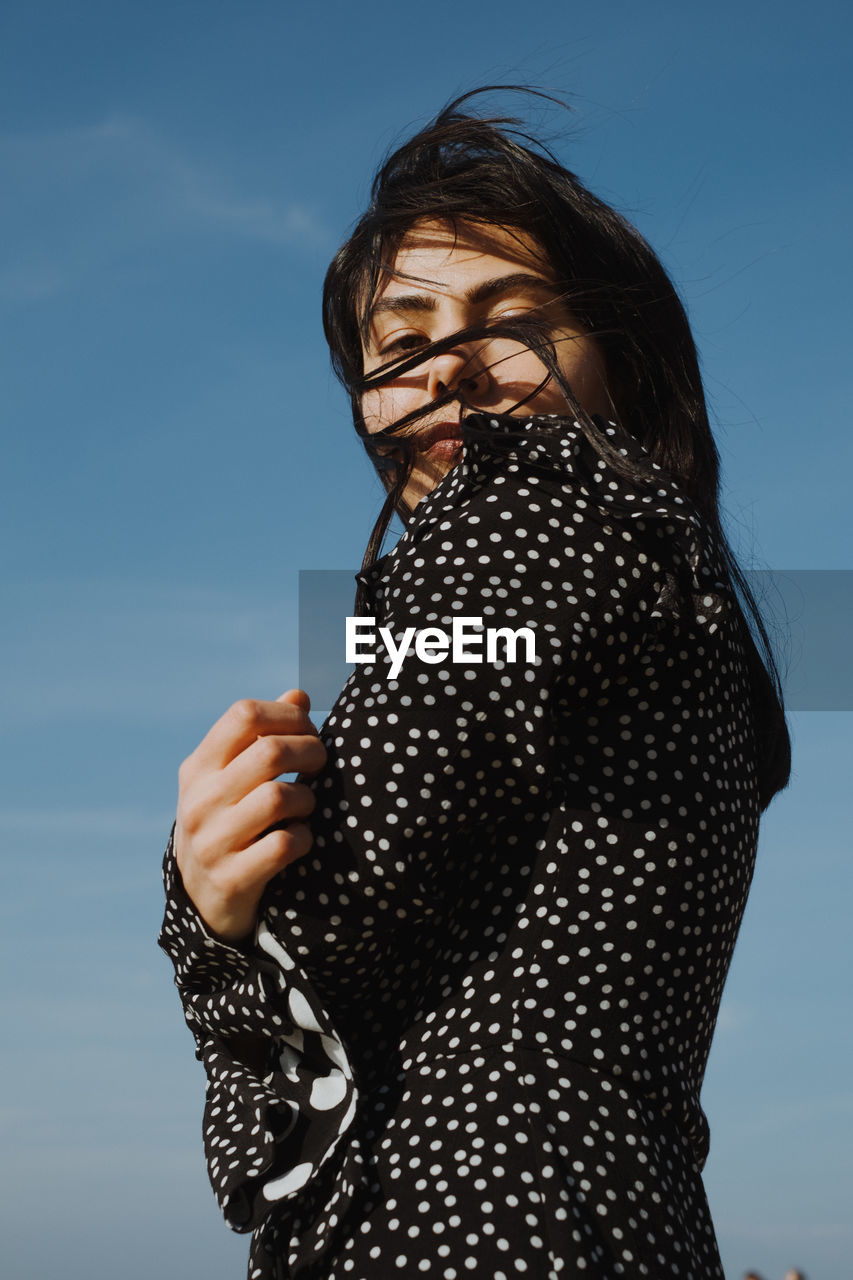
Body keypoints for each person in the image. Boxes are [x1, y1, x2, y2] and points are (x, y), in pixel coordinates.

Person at [159, 89, 791, 1279]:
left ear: (616, 360)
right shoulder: (669, 579)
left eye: (508, 320)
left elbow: (332, 914)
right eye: (403, 341)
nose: (451, 368)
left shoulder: (536, 495)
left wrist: (206, 895)